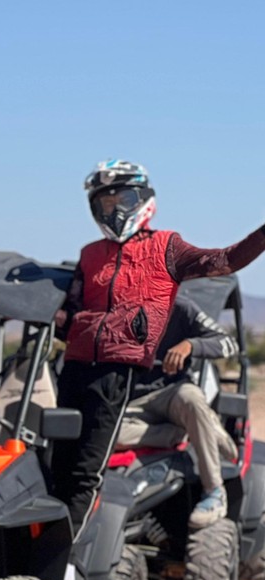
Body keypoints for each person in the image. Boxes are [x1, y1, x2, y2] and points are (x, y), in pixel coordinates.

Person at [53, 159, 265, 537]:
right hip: (83, 373)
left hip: (138, 383)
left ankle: (212, 488)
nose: (115, 208)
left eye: (125, 198)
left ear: (145, 199)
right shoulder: (90, 255)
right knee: (59, 463)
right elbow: (71, 311)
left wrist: (262, 234)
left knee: (87, 471)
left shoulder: (168, 254)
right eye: (105, 202)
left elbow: (225, 261)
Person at [118, 291, 238, 528]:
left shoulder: (181, 306)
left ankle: (214, 491)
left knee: (191, 398)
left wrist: (189, 345)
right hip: (131, 404)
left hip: (171, 394)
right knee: (102, 436)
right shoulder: (115, 304)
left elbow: (228, 343)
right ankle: (192, 429)